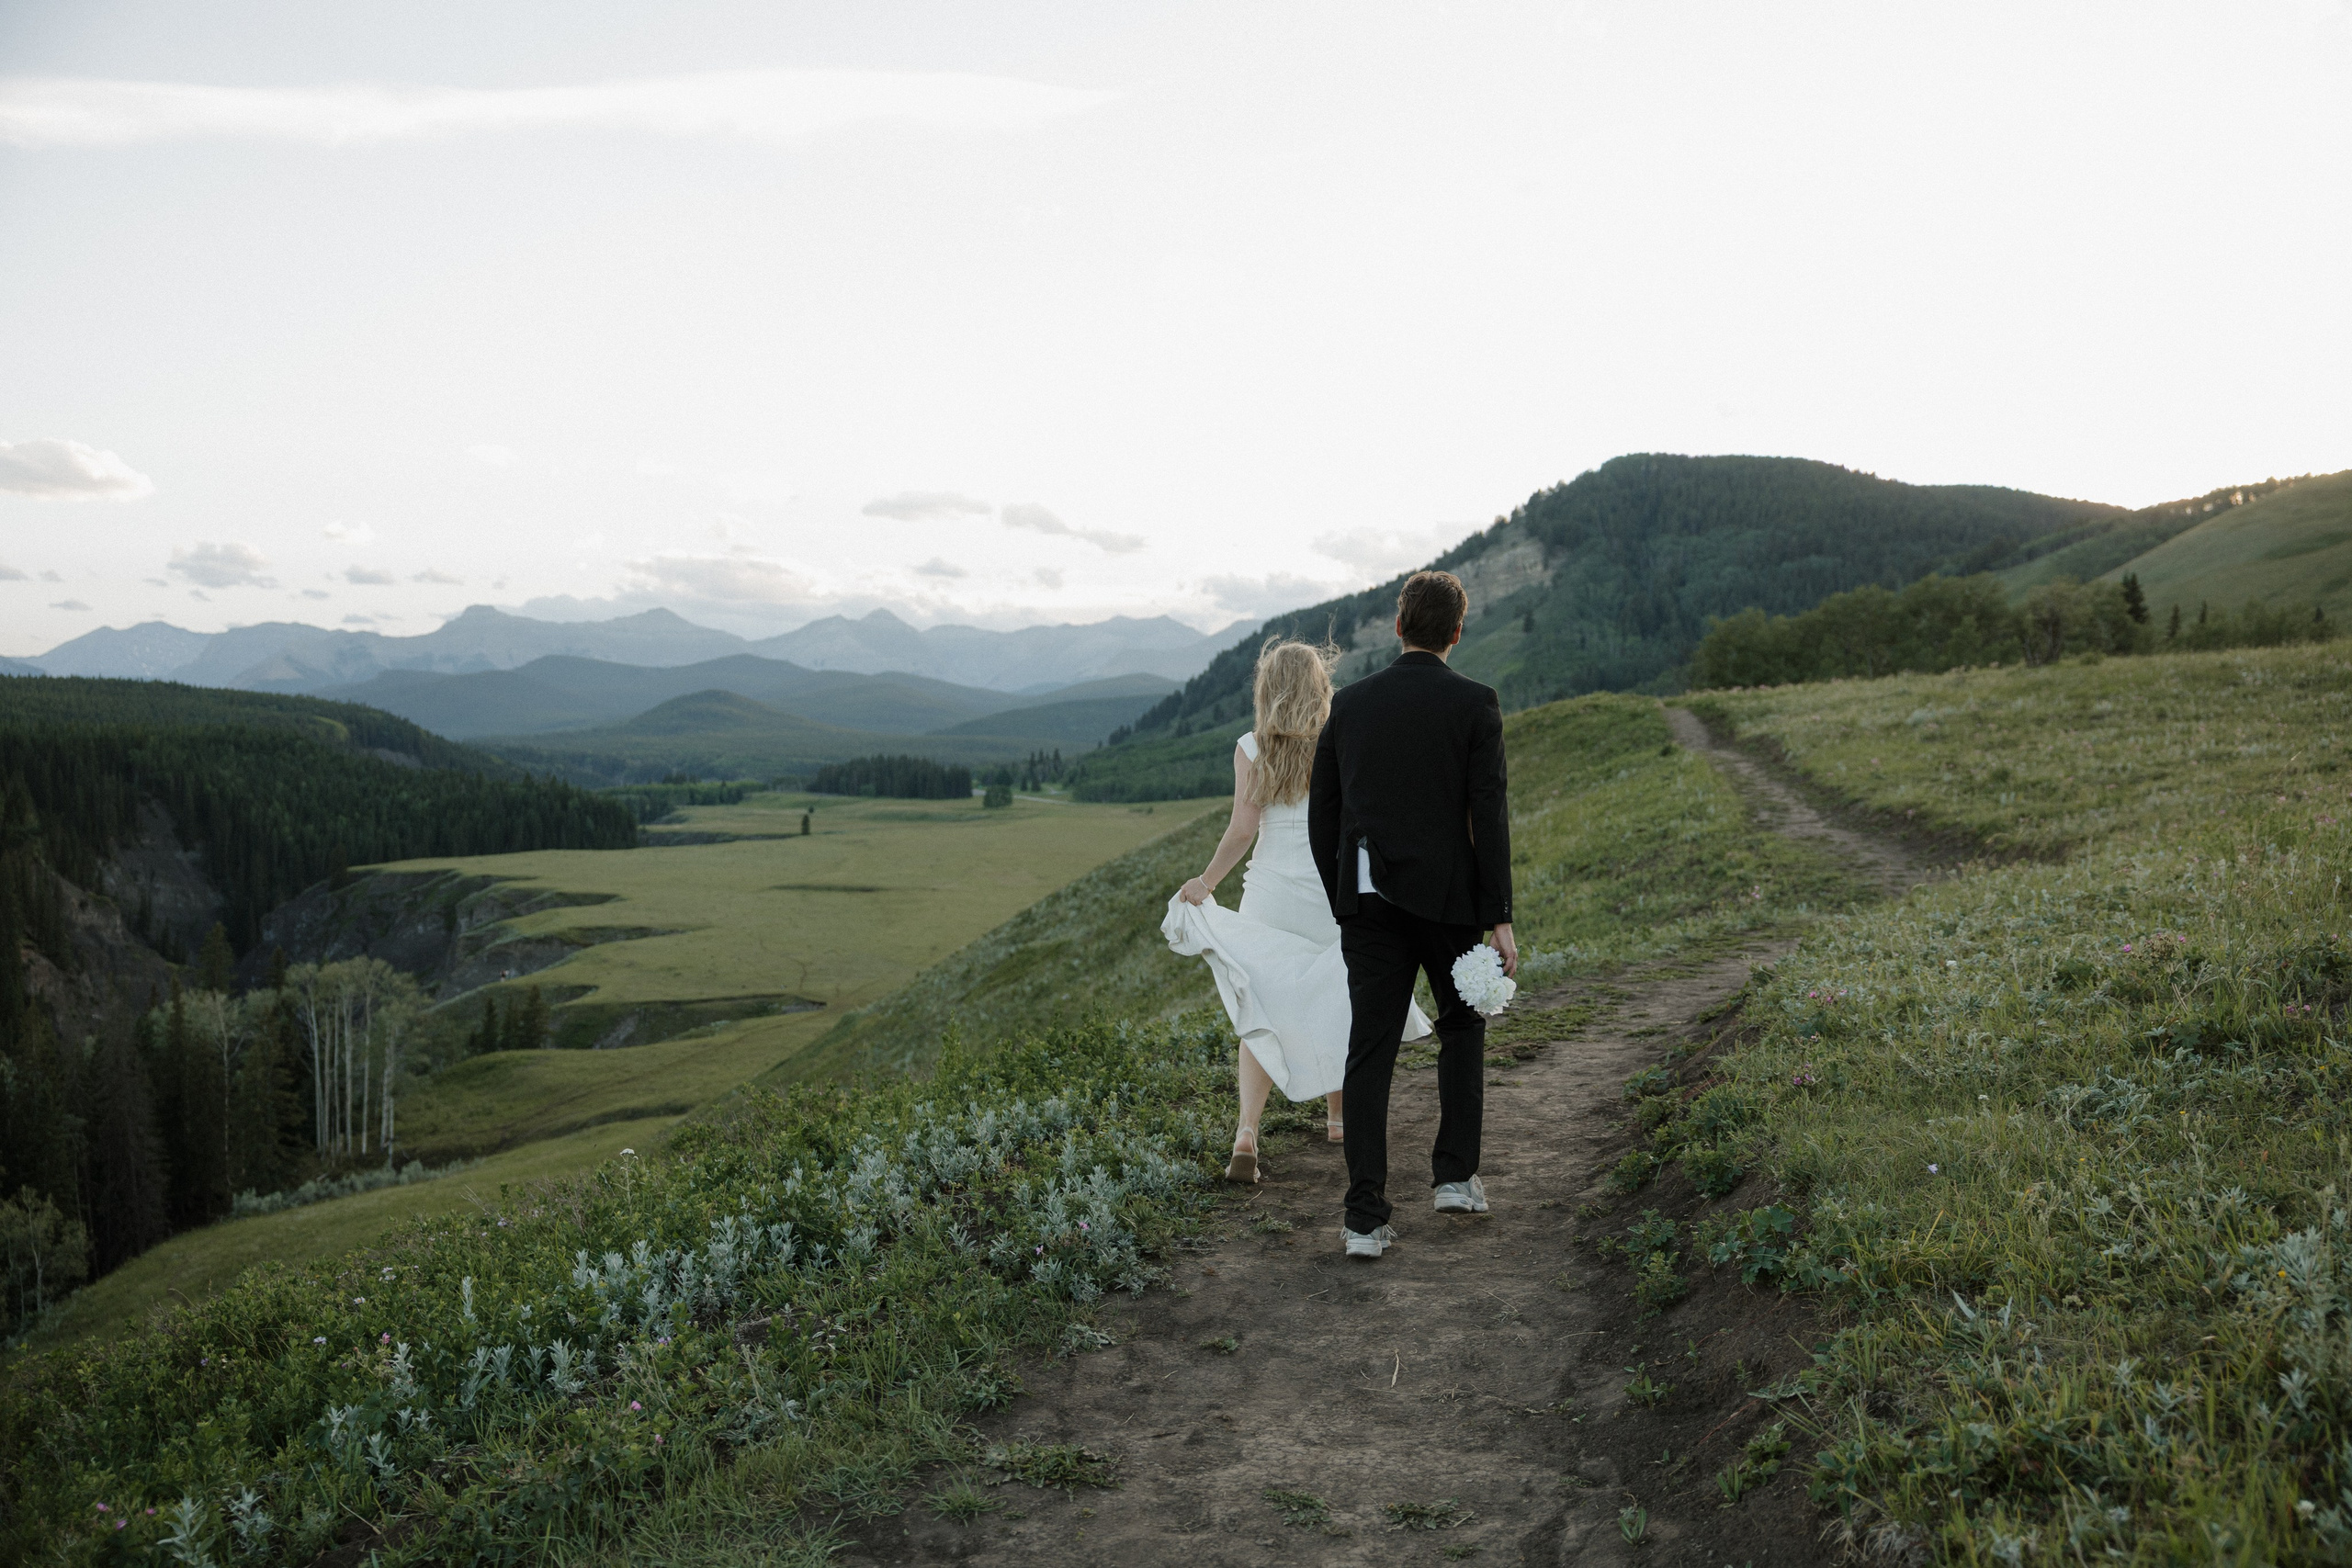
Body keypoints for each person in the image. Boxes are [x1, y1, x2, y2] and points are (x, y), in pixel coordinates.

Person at [1161, 640, 1431, 1183]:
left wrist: (1206, 882)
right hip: (1330, 889)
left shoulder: (1251, 747)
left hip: (1269, 892)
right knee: (1340, 995)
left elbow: (1242, 829)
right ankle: (1337, 1116)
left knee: (1262, 1007)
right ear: (1319, 685)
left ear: (1267, 687)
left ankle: (1246, 1133)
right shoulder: (1344, 734)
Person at [1308, 569, 1516, 1259]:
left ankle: (1363, 1218)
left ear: (1398, 626)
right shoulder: (1476, 704)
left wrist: (1343, 897)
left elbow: (1324, 815)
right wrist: (1500, 915)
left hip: (1366, 903)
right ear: (1457, 632)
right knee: (1460, 1027)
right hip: (1450, 901)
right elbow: (1487, 815)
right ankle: (1454, 1177)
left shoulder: (1352, 705)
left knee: (1370, 1050)